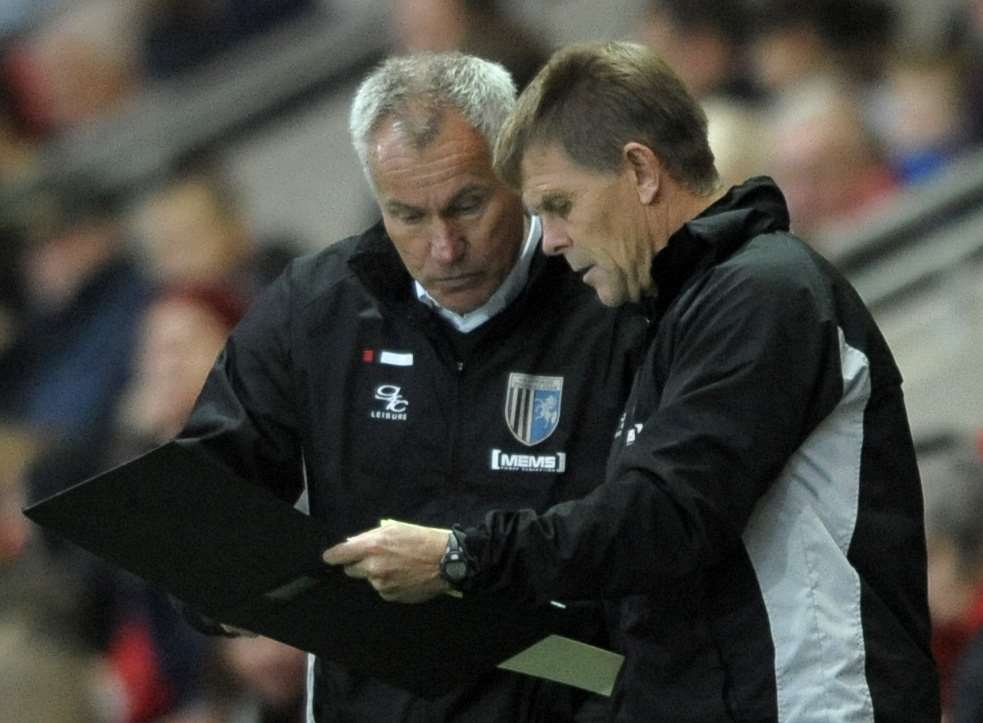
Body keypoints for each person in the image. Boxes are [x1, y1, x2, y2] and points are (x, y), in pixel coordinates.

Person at [324, 41, 941, 722]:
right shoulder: (667, 327)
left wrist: (461, 556)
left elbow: (663, 517)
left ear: (641, 171)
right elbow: (648, 601)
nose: (551, 240)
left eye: (559, 204)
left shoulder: (764, 293)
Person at [175, 51, 645, 722]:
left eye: (467, 205)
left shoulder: (608, 295)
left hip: (577, 694)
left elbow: (655, 523)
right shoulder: (319, 308)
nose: (444, 247)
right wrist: (220, 586)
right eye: (409, 216)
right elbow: (208, 484)